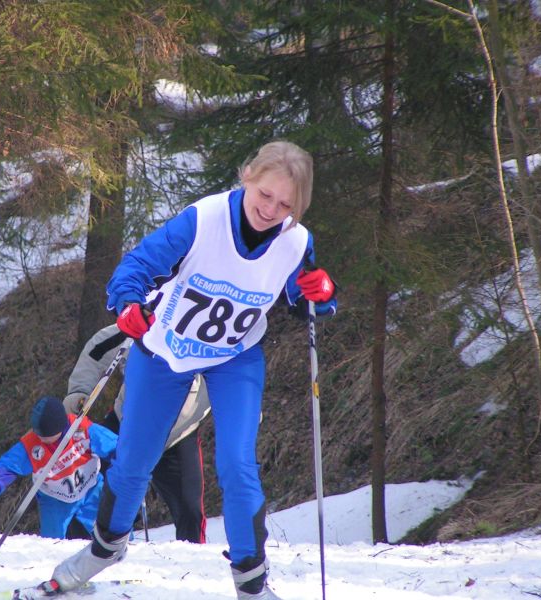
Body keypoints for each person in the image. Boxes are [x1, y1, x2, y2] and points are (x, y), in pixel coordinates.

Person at [45, 141, 337, 600]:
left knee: (238, 466)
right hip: (166, 350)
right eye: (265, 194)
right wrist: (128, 306)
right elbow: (136, 267)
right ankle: (104, 549)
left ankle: (251, 583)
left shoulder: (296, 239)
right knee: (133, 464)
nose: (271, 209)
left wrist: (321, 293)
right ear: (247, 178)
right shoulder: (203, 220)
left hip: (234, 357)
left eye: (285, 204)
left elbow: (305, 295)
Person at [64, 324, 210, 544]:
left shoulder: (222, 343)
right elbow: (98, 349)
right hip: (126, 427)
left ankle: (192, 565)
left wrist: (244, 417)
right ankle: (76, 548)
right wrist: (79, 392)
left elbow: (237, 383)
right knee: (87, 487)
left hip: (176, 437)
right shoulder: (157, 321)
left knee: (190, 508)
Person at [0, 395, 117, 539]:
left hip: (90, 487)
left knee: (111, 528)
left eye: (45, 435)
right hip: (54, 498)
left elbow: (112, 446)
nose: (41, 438)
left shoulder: (82, 429)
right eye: (38, 433)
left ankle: (126, 553)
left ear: (59, 428)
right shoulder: (32, 444)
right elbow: (8, 466)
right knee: (51, 540)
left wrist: (128, 464)